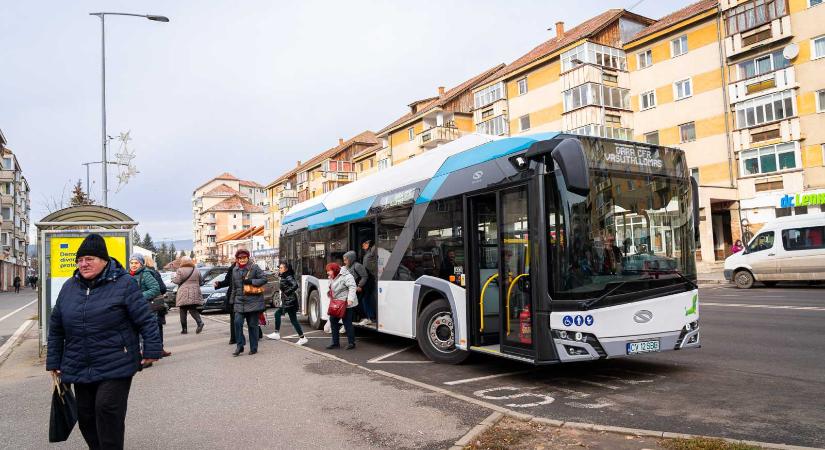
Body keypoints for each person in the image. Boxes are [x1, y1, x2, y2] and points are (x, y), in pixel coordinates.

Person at [46, 233, 161, 450]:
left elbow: (145, 320)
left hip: (116, 361)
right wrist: (54, 361)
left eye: (89, 259)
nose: (83, 264)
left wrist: (152, 349)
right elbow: (57, 327)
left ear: (104, 260)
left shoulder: (124, 283)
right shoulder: (69, 287)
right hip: (79, 362)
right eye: (80, 260)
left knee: (107, 409)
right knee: (86, 416)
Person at [225, 249, 266, 356]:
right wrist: (231, 301)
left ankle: (253, 347)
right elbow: (234, 287)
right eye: (240, 258)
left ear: (248, 258)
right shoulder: (235, 270)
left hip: (253, 302)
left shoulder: (254, 267)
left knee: (252, 325)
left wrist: (251, 281)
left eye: (244, 258)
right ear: (237, 259)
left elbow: (264, 279)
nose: (242, 260)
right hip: (239, 302)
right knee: (237, 323)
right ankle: (240, 345)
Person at [128, 254, 164, 366]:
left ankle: (147, 358)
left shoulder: (146, 274)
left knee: (145, 333)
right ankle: (137, 356)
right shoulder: (128, 275)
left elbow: (155, 289)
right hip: (133, 308)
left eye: (136, 263)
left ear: (141, 264)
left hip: (146, 308)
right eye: (132, 263)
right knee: (134, 333)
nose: (133, 265)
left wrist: (139, 296)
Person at [265, 262, 308, 345]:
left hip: (290, 301)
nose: (279, 269)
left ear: (286, 269)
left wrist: (287, 292)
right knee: (293, 320)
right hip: (289, 301)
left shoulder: (288, 276)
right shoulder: (284, 276)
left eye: (281, 268)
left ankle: (277, 333)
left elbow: (295, 285)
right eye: (279, 268)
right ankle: (302, 337)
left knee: (277, 314)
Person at [143, 255, 171, 358]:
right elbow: (162, 288)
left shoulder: (137, 274)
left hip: (142, 304)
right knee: (157, 326)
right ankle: (159, 349)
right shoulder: (153, 272)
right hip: (155, 303)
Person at [325, 262, 358, 350]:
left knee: (347, 323)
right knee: (333, 321)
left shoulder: (346, 276)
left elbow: (352, 287)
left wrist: (350, 299)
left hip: (346, 303)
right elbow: (332, 287)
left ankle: (351, 343)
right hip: (337, 304)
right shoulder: (332, 277)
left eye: (329, 271)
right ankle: (335, 343)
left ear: (334, 270)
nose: (327, 272)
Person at [173, 257, 204, 334]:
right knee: (192, 308)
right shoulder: (196, 270)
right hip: (195, 292)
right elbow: (201, 282)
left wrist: (172, 278)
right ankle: (200, 322)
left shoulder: (180, 270)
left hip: (184, 292)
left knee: (183, 310)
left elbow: (177, 281)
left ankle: (184, 329)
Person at [343, 250, 370, 326]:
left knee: (356, 304)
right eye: (344, 260)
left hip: (359, 288)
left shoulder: (357, 266)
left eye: (346, 260)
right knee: (353, 304)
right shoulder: (348, 267)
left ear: (351, 259)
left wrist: (359, 286)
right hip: (353, 288)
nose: (344, 262)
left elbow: (364, 276)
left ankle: (366, 318)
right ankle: (359, 319)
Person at [360, 240, 378, 324]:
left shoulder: (370, 253)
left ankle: (370, 316)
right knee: (367, 298)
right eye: (363, 244)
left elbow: (368, 269)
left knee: (365, 298)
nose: (363, 245)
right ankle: (370, 316)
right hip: (369, 278)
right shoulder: (368, 254)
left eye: (365, 243)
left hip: (369, 278)